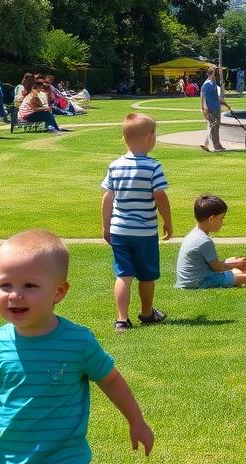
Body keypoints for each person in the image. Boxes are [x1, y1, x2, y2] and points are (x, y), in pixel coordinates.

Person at [0, 229, 154, 459]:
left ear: (59, 292)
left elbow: (110, 379)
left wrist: (136, 421)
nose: (15, 295)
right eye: (5, 284)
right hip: (10, 458)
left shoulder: (78, 342)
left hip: (66, 457)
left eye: (29, 285)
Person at [101, 113, 172, 331]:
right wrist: (167, 221)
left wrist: (106, 226)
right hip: (145, 231)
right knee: (147, 275)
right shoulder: (153, 167)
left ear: (125, 139)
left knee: (123, 274)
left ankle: (121, 319)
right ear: (149, 139)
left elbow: (107, 198)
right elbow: (160, 195)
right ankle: (147, 312)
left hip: (119, 230)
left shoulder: (115, 166)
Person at [175, 194, 246, 288]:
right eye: (221, 218)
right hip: (198, 282)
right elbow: (218, 268)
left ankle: (245, 273)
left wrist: (231, 262)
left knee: (233, 267)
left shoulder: (195, 234)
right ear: (211, 219)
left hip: (189, 280)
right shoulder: (204, 241)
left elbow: (213, 264)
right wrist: (236, 264)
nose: (223, 222)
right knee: (229, 277)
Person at [199, 66, 231, 153]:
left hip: (212, 108)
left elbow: (204, 98)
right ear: (212, 73)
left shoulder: (207, 85)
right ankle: (208, 144)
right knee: (213, 126)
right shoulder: (209, 84)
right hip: (213, 108)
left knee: (214, 126)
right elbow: (216, 98)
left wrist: (203, 108)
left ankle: (217, 145)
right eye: (215, 73)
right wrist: (226, 104)